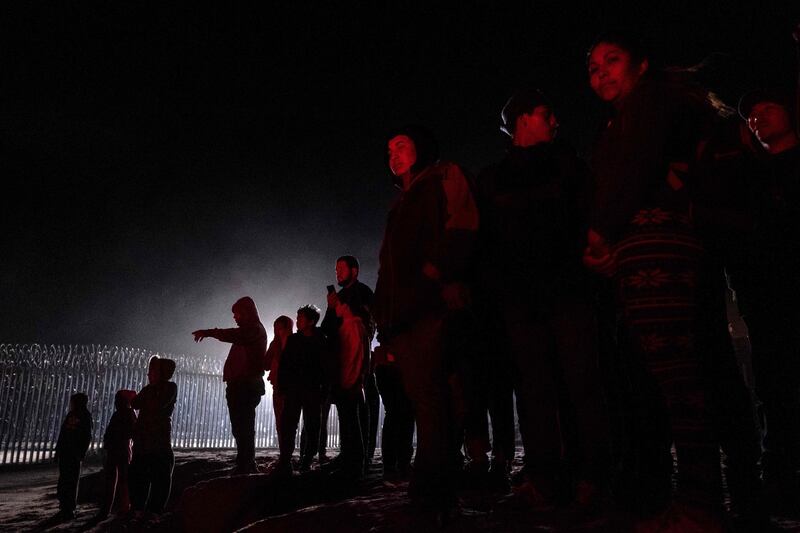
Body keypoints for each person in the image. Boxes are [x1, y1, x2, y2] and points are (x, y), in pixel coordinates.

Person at [583, 31, 750, 530]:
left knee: (678, 374)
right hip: (643, 242)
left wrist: (600, 233)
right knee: (674, 373)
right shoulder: (633, 113)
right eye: (593, 68)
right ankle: (700, 499)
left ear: (641, 64)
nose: (602, 73)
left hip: (659, 241)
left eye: (612, 60)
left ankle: (702, 504)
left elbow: (633, 172)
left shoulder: (650, 104)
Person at [476, 88, 609, 506]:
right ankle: (545, 477)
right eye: (546, 113)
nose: (555, 121)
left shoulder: (569, 165)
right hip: (524, 301)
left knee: (580, 384)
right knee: (536, 389)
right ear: (523, 119)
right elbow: (486, 245)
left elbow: (593, 216)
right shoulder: (494, 178)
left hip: (568, 292)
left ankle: (592, 477)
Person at [374, 124, 479, 519]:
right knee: (423, 396)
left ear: (421, 147)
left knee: (436, 395)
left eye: (400, 145)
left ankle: (435, 485)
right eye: (389, 149)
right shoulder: (399, 203)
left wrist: (442, 271)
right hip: (405, 313)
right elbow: (389, 265)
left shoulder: (444, 176)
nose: (393, 154)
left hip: (432, 305)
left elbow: (463, 224)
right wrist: (384, 315)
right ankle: (432, 480)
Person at [736, 87, 800, 511]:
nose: (758, 116)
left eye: (767, 107)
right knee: (775, 385)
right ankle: (783, 471)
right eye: (752, 113)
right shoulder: (752, 177)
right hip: (767, 297)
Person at [193, 296, 268, 473]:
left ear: (246, 313)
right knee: (240, 427)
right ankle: (244, 462)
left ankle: (246, 463)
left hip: (246, 385)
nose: (235, 317)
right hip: (240, 385)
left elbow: (233, 335)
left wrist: (209, 332)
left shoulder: (253, 330)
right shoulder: (250, 330)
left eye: (237, 314)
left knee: (244, 427)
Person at [318, 255, 377, 466]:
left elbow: (368, 322)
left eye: (341, 269)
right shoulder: (339, 296)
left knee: (359, 407)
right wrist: (333, 308)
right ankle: (348, 453)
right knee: (345, 407)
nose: (338, 273)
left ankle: (361, 456)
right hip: (339, 357)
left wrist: (342, 309)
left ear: (354, 271)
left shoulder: (363, 292)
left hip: (357, 356)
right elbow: (326, 327)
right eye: (336, 270)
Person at [274, 304, 326, 475]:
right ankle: (286, 459)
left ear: (311, 321)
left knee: (312, 426)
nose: (297, 320)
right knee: (289, 424)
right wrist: (283, 385)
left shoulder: (320, 340)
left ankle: (307, 459)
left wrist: (324, 389)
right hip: (294, 390)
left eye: (301, 317)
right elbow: (285, 365)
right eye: (297, 317)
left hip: (312, 389)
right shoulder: (294, 340)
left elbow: (325, 367)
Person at [327, 298, 370, 480]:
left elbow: (352, 356)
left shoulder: (351, 326)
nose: (337, 307)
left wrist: (347, 380)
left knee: (350, 425)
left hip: (349, 383)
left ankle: (353, 467)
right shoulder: (355, 326)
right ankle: (351, 463)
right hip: (350, 382)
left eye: (340, 304)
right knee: (349, 424)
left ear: (347, 307)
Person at [129, 357, 177, 516]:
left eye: (153, 371)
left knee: (160, 480)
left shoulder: (169, 388)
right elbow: (135, 403)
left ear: (161, 373)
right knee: (139, 478)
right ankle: (138, 510)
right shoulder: (148, 389)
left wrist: (143, 398)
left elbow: (155, 404)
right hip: (143, 443)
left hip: (159, 442)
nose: (148, 374)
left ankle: (153, 513)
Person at [96, 389, 137, 519]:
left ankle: (114, 508)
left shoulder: (122, 414)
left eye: (117, 400)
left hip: (119, 450)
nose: (115, 402)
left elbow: (113, 433)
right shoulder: (127, 413)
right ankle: (122, 507)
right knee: (120, 480)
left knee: (116, 480)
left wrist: (107, 446)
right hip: (121, 450)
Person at [54, 392, 92, 520]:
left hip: (73, 454)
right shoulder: (73, 414)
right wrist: (58, 450)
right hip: (66, 453)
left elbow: (86, 437)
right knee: (65, 480)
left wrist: (80, 453)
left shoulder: (85, 416)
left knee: (70, 481)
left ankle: (69, 508)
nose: (71, 404)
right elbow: (63, 433)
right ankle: (64, 506)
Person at [265, 315, 294, 447]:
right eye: (276, 329)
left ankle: (286, 453)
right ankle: (284, 452)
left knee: (288, 423)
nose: (279, 332)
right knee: (280, 422)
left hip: (291, 387)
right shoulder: (275, 344)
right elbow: (265, 363)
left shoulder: (295, 342)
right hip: (278, 386)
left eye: (281, 329)